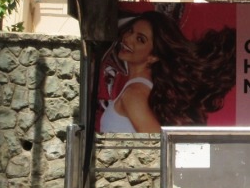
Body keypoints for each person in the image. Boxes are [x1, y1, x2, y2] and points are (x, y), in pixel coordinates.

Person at [99, 11, 237, 133]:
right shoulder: (144, 89)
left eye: (140, 39)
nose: (127, 39)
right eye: (130, 31)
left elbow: (157, 146)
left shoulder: (134, 93)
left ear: (153, 56)